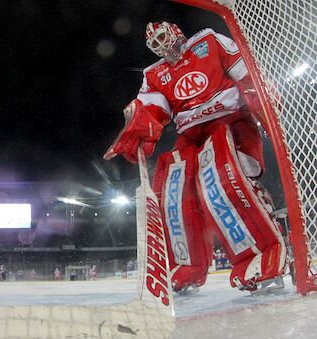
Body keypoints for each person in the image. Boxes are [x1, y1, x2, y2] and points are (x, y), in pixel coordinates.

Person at [104, 22, 286, 294]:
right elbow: (153, 108)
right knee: (173, 186)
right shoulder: (155, 73)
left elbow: (244, 68)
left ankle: (261, 253)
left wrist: (263, 98)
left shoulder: (209, 41)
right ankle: (187, 265)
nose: (162, 46)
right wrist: (139, 127)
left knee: (220, 177)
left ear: (174, 31)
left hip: (229, 122)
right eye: (155, 44)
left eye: (163, 37)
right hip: (191, 134)